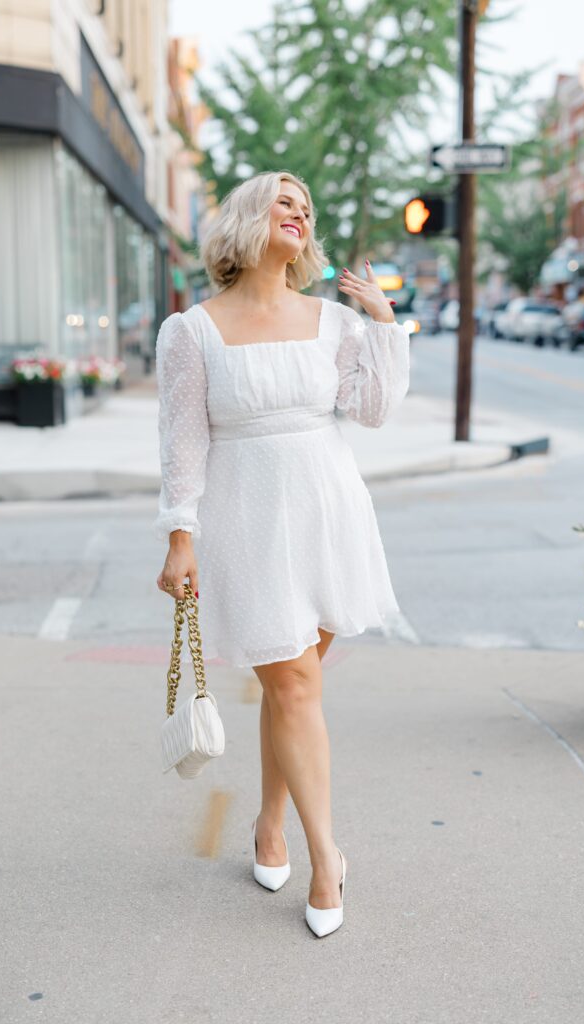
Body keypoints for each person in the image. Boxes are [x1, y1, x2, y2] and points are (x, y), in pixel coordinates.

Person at [154, 169, 410, 938]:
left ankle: (269, 822)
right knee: (294, 684)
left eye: (306, 205)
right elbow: (181, 442)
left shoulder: (333, 321)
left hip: (329, 510)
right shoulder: (191, 330)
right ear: (245, 221)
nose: (299, 213)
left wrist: (383, 326)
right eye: (283, 202)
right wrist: (179, 535)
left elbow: (369, 413)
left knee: (292, 684)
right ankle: (325, 857)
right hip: (247, 518)